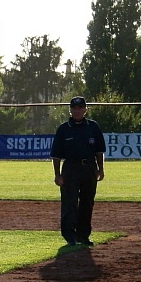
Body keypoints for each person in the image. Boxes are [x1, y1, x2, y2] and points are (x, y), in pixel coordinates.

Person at [50, 96, 106, 247]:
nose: (77, 111)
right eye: (74, 108)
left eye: (80, 108)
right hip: (70, 169)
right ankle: (70, 236)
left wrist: (100, 169)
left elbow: (99, 151)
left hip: (89, 168)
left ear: (85, 109)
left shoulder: (93, 127)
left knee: (87, 202)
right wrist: (57, 174)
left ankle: (83, 235)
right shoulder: (63, 129)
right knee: (70, 202)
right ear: (70, 110)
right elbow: (56, 155)